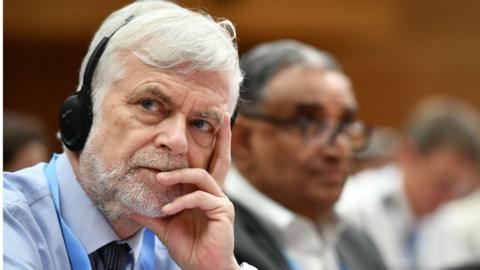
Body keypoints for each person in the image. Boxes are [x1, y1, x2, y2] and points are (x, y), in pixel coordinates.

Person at [4, 1, 257, 269]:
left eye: (201, 124)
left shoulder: (184, 249)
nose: (177, 141)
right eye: (149, 104)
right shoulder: (9, 223)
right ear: (84, 112)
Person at [224, 39, 386, 270]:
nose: (338, 149)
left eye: (346, 125)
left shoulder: (356, 243)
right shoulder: (211, 244)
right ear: (243, 140)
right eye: (308, 123)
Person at [337, 96, 480, 270]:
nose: (448, 198)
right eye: (443, 183)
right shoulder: (351, 207)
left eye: (459, 188)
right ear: (409, 154)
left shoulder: (446, 219)